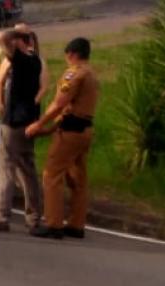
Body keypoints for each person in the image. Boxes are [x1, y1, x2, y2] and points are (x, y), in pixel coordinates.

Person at [25, 37, 99, 240]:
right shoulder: (92, 74)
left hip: (69, 133)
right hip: (85, 131)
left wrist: (39, 124)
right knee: (77, 179)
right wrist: (49, 129)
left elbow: (59, 104)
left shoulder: (74, 74)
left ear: (72, 54)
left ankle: (54, 224)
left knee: (52, 175)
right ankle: (76, 224)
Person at [0, 23, 49, 232]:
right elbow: (42, 89)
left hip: (12, 122)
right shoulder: (37, 61)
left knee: (6, 169)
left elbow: (2, 37)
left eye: (17, 39)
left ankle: (0, 216)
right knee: (28, 171)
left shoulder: (19, 60)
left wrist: (16, 33)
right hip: (29, 121)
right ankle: (34, 218)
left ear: (21, 41)